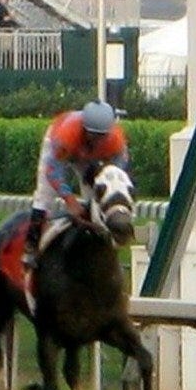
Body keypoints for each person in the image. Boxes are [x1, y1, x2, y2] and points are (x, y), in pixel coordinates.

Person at [22, 100, 129, 273]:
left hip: (87, 156)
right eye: (94, 135)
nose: (99, 140)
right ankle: (31, 247)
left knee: (94, 199)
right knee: (44, 196)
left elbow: (118, 174)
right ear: (85, 130)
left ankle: (100, 249)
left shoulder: (116, 141)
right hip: (60, 148)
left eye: (103, 136)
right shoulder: (67, 134)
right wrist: (70, 201)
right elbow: (53, 171)